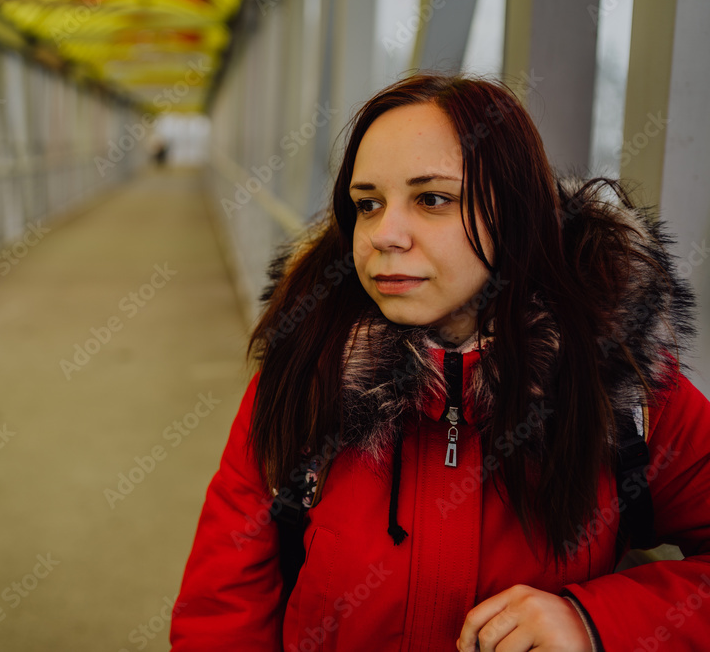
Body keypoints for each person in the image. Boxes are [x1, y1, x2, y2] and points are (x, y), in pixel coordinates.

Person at [168, 73, 710, 651]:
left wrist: (597, 622)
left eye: (432, 199)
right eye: (367, 204)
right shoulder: (305, 376)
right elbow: (222, 609)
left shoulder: (621, 388)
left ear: (517, 212)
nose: (384, 234)